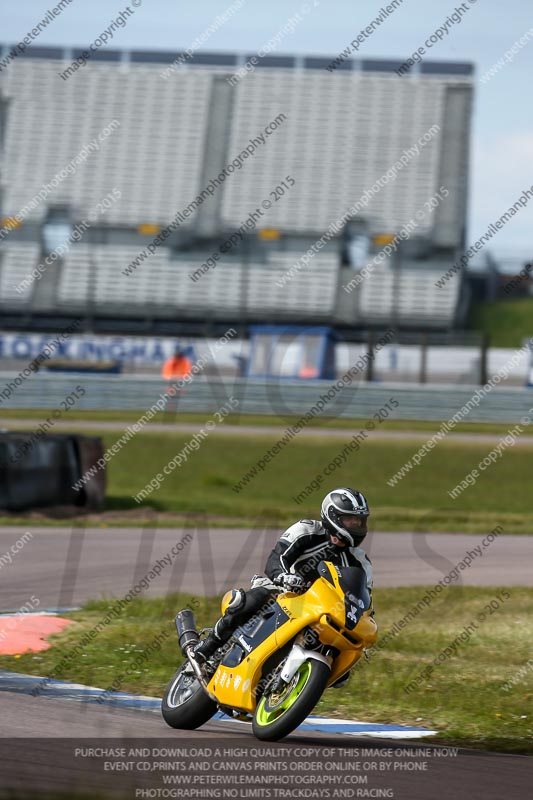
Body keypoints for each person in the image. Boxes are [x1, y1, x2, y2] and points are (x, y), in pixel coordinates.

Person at [193, 487, 373, 677]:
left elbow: (364, 598)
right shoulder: (306, 530)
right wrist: (283, 576)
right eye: (350, 519)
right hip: (283, 591)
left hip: (319, 611)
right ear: (332, 516)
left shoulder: (361, 561)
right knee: (253, 600)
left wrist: (365, 620)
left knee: (342, 666)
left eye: (359, 521)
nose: (356, 525)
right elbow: (276, 557)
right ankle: (210, 645)